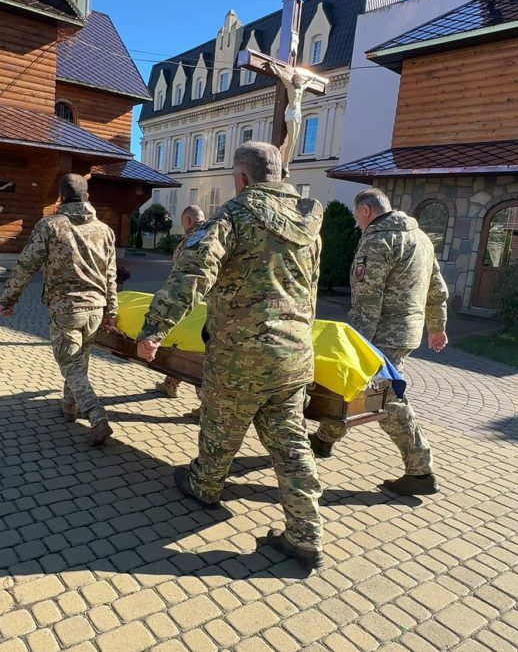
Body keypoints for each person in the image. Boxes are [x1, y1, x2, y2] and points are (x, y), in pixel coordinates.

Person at [136, 142, 326, 570]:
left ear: (241, 179)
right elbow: (310, 288)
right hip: (294, 352)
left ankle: (204, 485)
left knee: (221, 426)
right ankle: (305, 534)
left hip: (242, 353)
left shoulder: (235, 215)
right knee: (291, 442)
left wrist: (155, 329)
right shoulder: (310, 219)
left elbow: (193, 273)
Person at [310, 188, 450, 497]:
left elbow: (367, 300)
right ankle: (323, 440)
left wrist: (355, 345)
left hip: (381, 333)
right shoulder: (422, 239)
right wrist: (436, 327)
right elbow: (437, 288)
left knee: (386, 401)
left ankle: (420, 470)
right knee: (355, 387)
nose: (358, 224)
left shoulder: (377, 240)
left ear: (366, 211)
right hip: (406, 332)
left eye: (357, 217)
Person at [0, 173, 118, 448]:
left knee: (70, 366)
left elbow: (26, 265)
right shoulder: (106, 230)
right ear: (87, 196)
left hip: (67, 310)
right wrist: (112, 310)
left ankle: (97, 417)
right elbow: (111, 275)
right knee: (79, 360)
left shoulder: (50, 226)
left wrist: (8, 299)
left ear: (61, 198)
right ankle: (68, 408)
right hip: (96, 309)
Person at [154, 205, 207, 416]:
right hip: (211, 304)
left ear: (187, 221)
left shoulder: (188, 242)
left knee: (193, 353)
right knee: (183, 346)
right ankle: (171, 383)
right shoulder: (215, 234)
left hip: (191, 304)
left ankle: (206, 406)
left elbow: (178, 278)